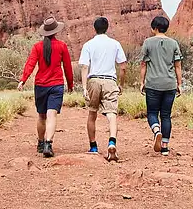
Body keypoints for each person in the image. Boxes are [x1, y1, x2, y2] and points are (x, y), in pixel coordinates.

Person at [18, 17, 74, 158]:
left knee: (41, 116)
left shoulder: (37, 47)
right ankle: (48, 144)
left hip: (41, 86)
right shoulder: (62, 46)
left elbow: (30, 64)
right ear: (56, 31)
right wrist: (70, 84)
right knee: (52, 114)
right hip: (56, 85)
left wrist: (23, 80)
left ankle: (41, 143)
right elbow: (67, 66)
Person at [78, 16, 127, 161]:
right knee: (112, 114)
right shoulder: (115, 44)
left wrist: (84, 87)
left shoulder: (88, 45)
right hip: (110, 81)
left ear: (95, 28)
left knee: (92, 113)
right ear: (107, 28)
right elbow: (123, 66)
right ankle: (112, 142)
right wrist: (121, 84)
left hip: (93, 80)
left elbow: (85, 66)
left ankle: (93, 147)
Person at [138, 15, 183, 156]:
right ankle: (164, 147)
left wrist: (142, 82)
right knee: (166, 115)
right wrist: (179, 84)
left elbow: (143, 65)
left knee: (152, 113)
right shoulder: (174, 43)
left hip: (153, 84)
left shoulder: (148, 43)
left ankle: (156, 130)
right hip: (169, 84)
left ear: (155, 28)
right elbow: (178, 66)